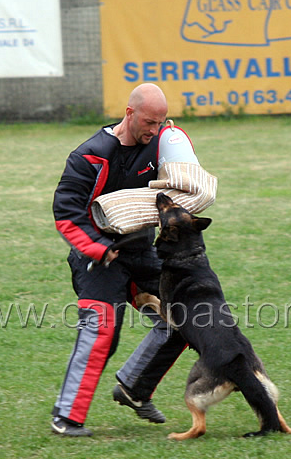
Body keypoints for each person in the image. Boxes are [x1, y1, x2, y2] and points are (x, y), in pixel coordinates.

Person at [51, 83, 190, 436]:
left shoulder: (160, 143)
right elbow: (66, 215)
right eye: (148, 122)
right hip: (97, 258)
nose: (154, 130)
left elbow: (182, 173)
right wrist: (99, 247)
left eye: (160, 123)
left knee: (186, 316)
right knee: (101, 330)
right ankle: (66, 418)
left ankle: (134, 388)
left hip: (143, 252)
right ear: (129, 114)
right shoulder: (89, 156)